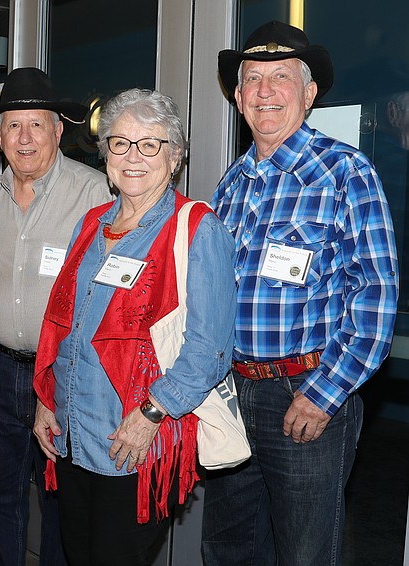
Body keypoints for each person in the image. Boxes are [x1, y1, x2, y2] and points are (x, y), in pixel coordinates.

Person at [202, 21, 399, 565]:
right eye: (253, 80)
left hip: (305, 395)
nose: (265, 92)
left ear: (309, 93)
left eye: (280, 78)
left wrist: (323, 393)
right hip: (230, 395)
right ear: (237, 96)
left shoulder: (345, 172)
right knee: (229, 550)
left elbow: (375, 295)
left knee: (306, 555)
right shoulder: (230, 184)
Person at [32, 88, 236, 566]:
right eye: (120, 143)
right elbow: (65, 323)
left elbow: (209, 349)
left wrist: (151, 415)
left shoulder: (197, 228)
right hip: (74, 433)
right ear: (105, 156)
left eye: (151, 144)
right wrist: (45, 399)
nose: (134, 157)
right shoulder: (92, 222)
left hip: (134, 439)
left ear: (176, 156)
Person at [0, 66, 112, 566]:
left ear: (58, 129)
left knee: (61, 499)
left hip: (64, 373)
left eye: (37, 123)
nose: (24, 137)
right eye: (12, 124)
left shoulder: (96, 196)